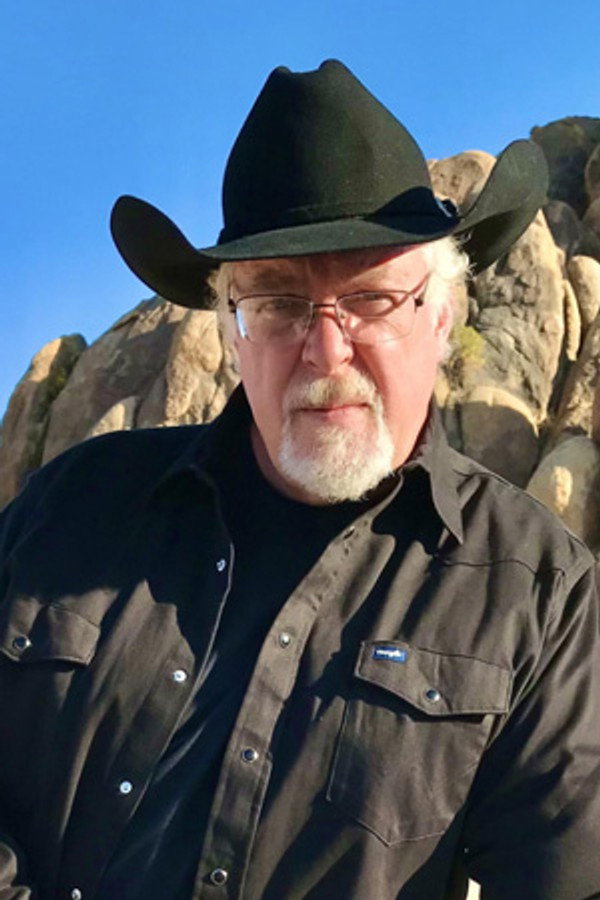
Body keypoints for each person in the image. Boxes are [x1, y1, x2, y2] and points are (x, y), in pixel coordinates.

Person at [0, 59, 599, 900]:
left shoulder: (538, 590)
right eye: (279, 304)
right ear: (231, 330)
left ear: (441, 317)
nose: (326, 351)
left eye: (371, 300)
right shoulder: (68, 508)